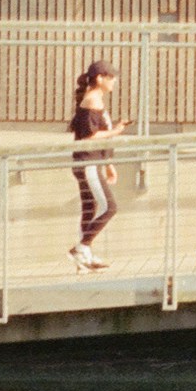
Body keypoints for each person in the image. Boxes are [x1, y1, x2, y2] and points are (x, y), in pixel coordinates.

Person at [70, 61, 121, 270]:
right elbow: (90, 136)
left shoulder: (95, 99)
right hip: (87, 162)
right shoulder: (92, 100)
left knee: (90, 208)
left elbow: (98, 134)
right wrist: (116, 131)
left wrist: (108, 163)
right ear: (100, 78)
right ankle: (81, 247)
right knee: (110, 206)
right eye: (111, 77)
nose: (114, 82)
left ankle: (85, 255)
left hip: (92, 161)